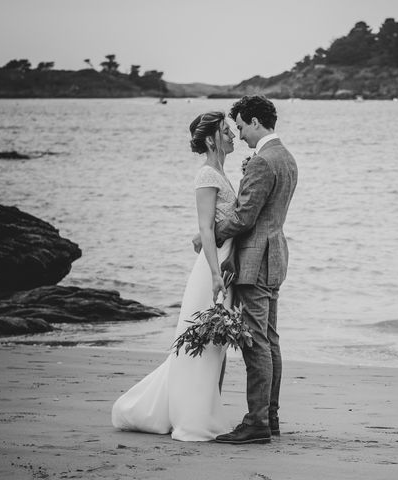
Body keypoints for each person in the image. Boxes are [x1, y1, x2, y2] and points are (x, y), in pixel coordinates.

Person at [111, 111, 238, 441]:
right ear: (211, 139)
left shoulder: (222, 172)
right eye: (226, 131)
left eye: (232, 130)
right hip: (212, 270)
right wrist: (214, 274)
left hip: (225, 265)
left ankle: (208, 408)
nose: (233, 135)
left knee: (216, 344)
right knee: (204, 341)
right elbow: (206, 230)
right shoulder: (206, 175)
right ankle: (193, 417)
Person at [213, 95, 298, 445]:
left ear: (255, 121)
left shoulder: (263, 161)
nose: (240, 134)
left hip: (256, 260)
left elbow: (246, 215)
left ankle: (257, 421)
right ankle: (270, 417)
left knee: (255, 341)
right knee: (270, 339)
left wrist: (209, 234)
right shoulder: (287, 157)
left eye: (241, 126)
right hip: (274, 256)